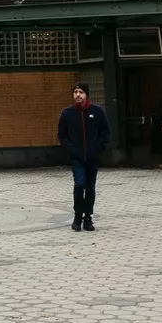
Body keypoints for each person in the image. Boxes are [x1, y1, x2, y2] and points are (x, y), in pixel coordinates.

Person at [57, 83, 110, 232]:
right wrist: (71, 148)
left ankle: (88, 217)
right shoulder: (67, 113)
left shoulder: (97, 111)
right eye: (75, 92)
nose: (78, 95)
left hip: (92, 157)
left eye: (81, 92)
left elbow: (105, 132)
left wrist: (98, 148)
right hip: (76, 157)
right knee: (79, 184)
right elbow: (62, 135)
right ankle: (77, 216)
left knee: (90, 187)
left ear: (86, 95)